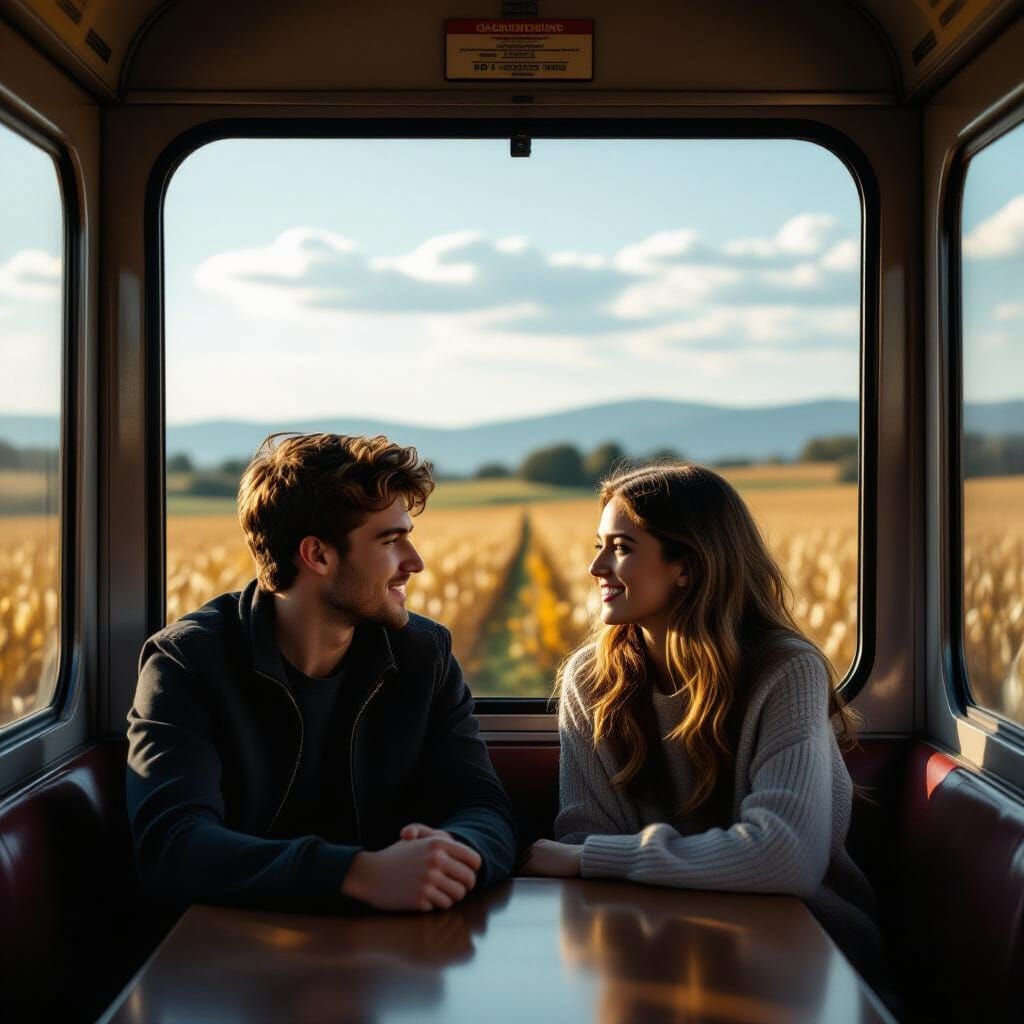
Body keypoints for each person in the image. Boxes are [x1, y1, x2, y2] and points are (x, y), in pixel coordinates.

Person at [127, 433, 517, 914]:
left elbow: (484, 808)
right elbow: (173, 845)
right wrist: (355, 873)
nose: (415, 563)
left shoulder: (424, 653)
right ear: (318, 555)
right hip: (230, 953)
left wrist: (451, 856)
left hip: (392, 955)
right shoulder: (188, 661)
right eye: (391, 540)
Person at [522, 462, 882, 983]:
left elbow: (785, 859)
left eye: (620, 547)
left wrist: (598, 859)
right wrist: (596, 860)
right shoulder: (591, 680)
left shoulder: (785, 672)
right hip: (652, 947)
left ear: (686, 566)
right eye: (598, 544)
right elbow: (584, 838)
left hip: (804, 955)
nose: (596, 566)